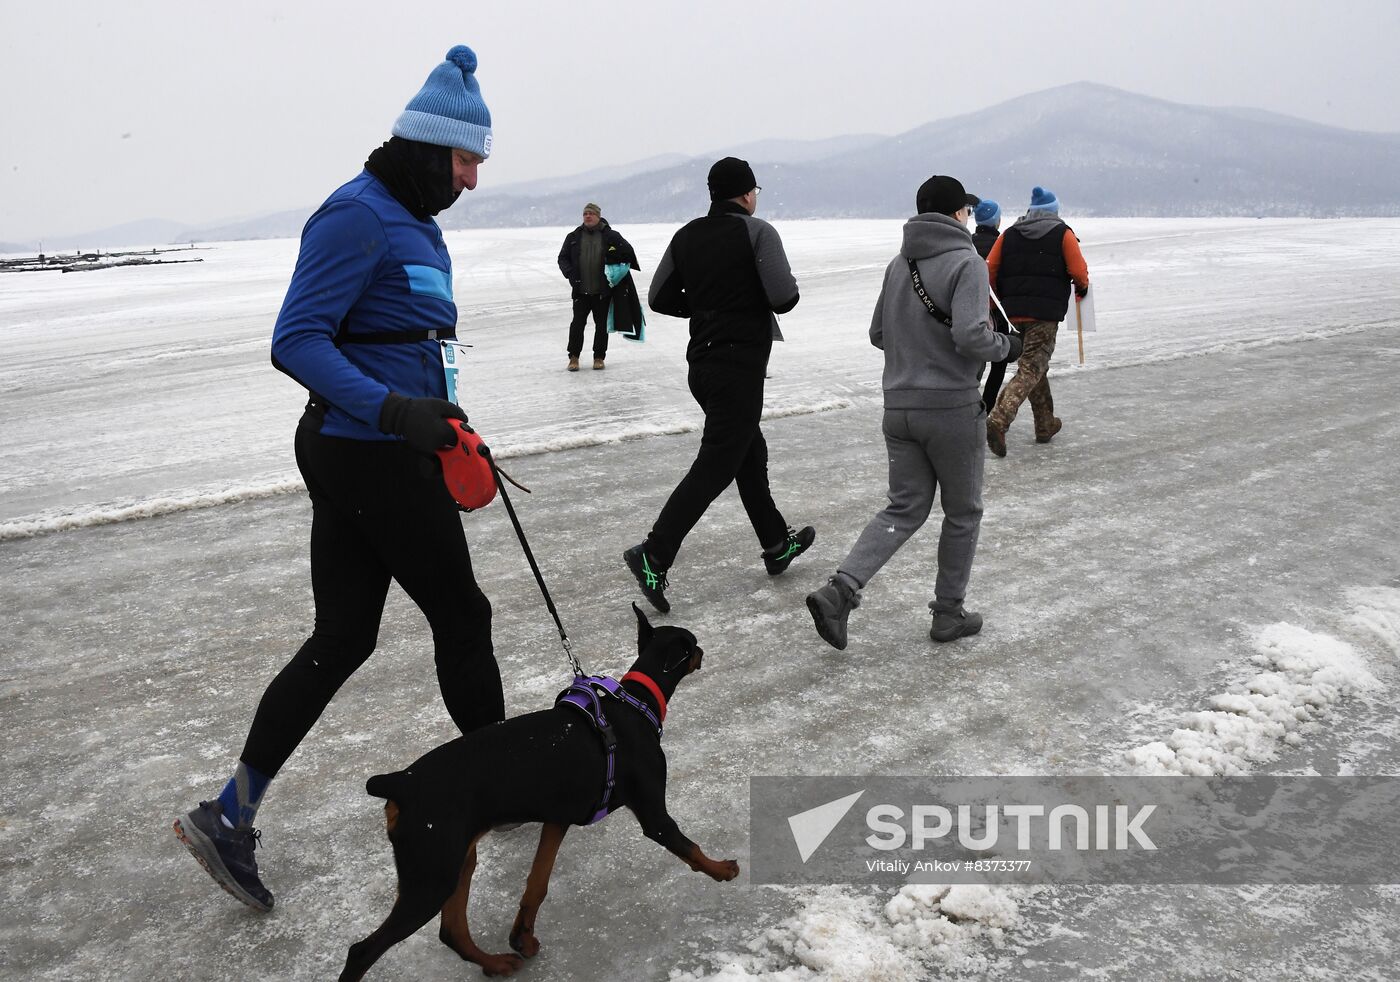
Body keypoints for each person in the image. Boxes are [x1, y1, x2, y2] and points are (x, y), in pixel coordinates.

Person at [173, 45, 504, 913]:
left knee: (344, 636)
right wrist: (398, 414)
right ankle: (506, 785)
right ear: (433, 150)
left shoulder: (415, 223)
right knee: (464, 616)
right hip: (367, 452)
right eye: (466, 160)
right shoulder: (355, 215)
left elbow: (406, 340)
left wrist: (443, 415)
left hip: (391, 446)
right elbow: (297, 340)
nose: (472, 180)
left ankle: (229, 813)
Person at [806, 175, 1021, 650]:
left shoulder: (898, 264)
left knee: (904, 508)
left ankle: (841, 590)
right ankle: (948, 614)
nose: (968, 216)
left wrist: (915, 349)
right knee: (963, 512)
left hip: (899, 409)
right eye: (965, 209)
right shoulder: (968, 263)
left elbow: (879, 333)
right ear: (956, 214)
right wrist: (1005, 346)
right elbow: (970, 336)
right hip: (950, 409)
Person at [624, 157, 814, 613]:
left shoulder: (686, 235)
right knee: (717, 462)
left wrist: (708, 306)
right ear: (747, 194)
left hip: (702, 365)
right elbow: (783, 297)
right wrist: (740, 304)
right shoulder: (758, 232)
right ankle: (654, 553)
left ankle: (775, 543)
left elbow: (660, 297)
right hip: (739, 365)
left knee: (748, 452)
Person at [984, 186, 1089, 456]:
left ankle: (1045, 424)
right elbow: (1078, 271)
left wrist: (1004, 298)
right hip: (1044, 314)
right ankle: (999, 418)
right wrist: (1083, 287)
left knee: (1034, 363)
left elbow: (989, 269)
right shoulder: (1062, 233)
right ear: (1054, 211)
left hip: (1016, 312)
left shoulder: (1009, 234)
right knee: (1032, 368)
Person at [557, 203, 640, 371]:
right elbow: (562, 258)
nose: (587, 216)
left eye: (591, 214)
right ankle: (574, 357)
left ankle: (599, 357)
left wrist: (615, 268)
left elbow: (628, 252)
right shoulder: (573, 236)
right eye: (585, 213)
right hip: (581, 291)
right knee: (577, 325)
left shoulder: (610, 235)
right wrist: (571, 274)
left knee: (601, 326)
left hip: (602, 291)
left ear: (598, 216)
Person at [971, 198, 1012, 413]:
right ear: (996, 220)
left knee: (973, 361)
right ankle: (986, 406)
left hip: (971, 310)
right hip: (998, 310)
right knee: (999, 361)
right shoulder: (1003, 244)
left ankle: (968, 403)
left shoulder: (968, 243)